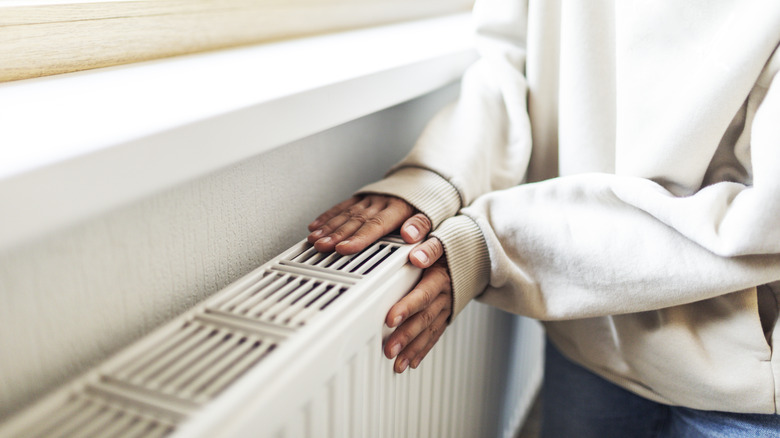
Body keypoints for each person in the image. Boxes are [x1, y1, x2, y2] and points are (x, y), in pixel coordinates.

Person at [307, 0, 780, 436]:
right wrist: (434, 177)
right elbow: (510, 61)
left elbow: (764, 216)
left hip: (747, 391)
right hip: (588, 335)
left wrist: (495, 243)